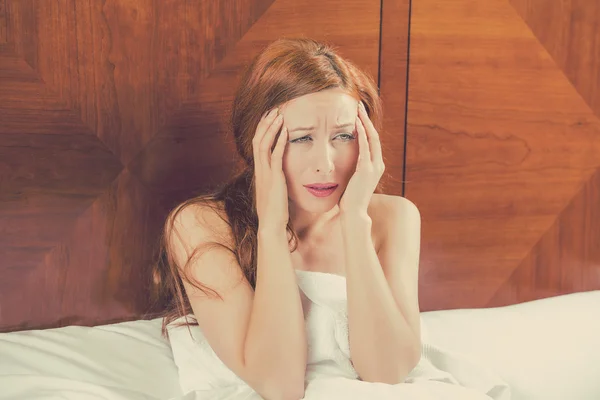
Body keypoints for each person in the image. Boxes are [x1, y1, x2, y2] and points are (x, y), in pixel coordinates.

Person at [151, 37, 449, 400]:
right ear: (257, 142)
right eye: (302, 138)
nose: (326, 163)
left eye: (343, 136)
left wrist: (355, 222)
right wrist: (272, 229)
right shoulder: (200, 225)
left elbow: (386, 375)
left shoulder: (394, 217)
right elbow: (279, 386)